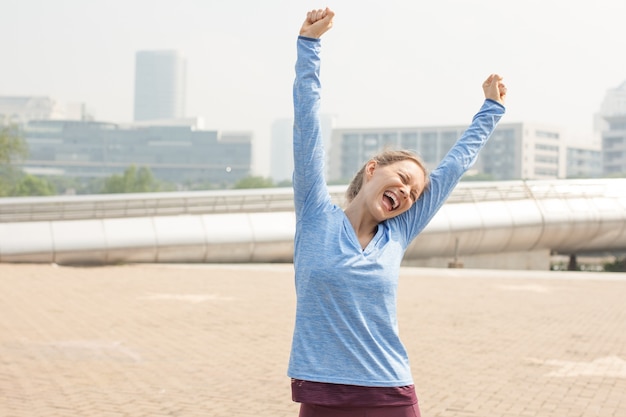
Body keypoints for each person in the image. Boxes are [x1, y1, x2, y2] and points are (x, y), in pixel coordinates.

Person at [289, 8, 507, 417]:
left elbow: (453, 167)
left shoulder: (398, 233)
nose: (407, 192)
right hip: (322, 394)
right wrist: (309, 47)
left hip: (388, 393)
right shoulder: (315, 215)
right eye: (402, 178)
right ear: (373, 169)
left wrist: (490, 109)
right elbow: (307, 127)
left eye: (414, 191)